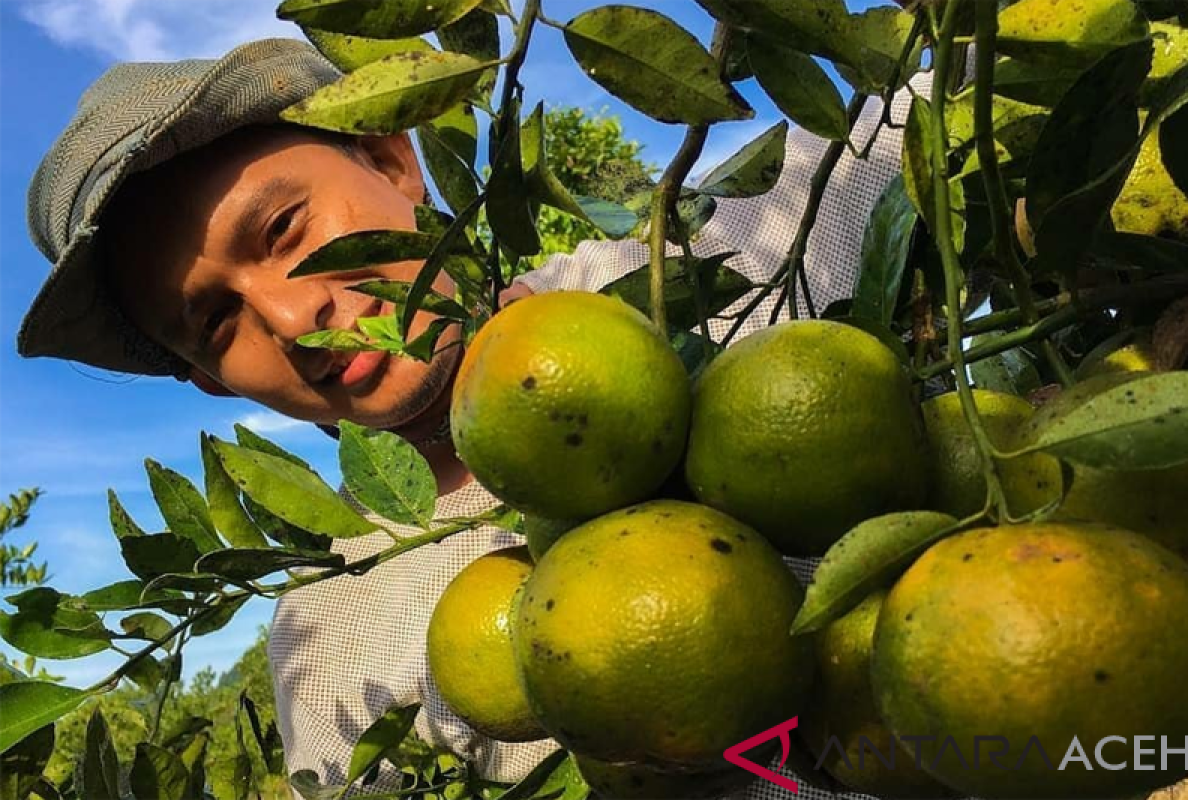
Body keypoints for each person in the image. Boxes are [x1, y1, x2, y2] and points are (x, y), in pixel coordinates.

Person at [19, 37, 917, 800]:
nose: (292, 320)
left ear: (389, 158)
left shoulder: (748, 245)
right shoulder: (329, 641)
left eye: (285, 230)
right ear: (210, 381)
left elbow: (964, 75)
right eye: (216, 322)